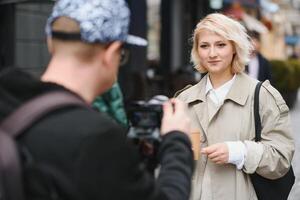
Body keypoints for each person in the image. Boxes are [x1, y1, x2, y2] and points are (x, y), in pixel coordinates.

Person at [0, 0, 194, 199]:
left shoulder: (7, 98)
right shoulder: (98, 139)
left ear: (50, 41)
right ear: (111, 54)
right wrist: (176, 140)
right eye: (122, 54)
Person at [175, 13, 294, 200]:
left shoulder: (261, 95)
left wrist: (240, 152)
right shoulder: (184, 99)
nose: (212, 53)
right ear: (197, 51)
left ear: (234, 48)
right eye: (204, 46)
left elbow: (281, 159)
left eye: (221, 44)